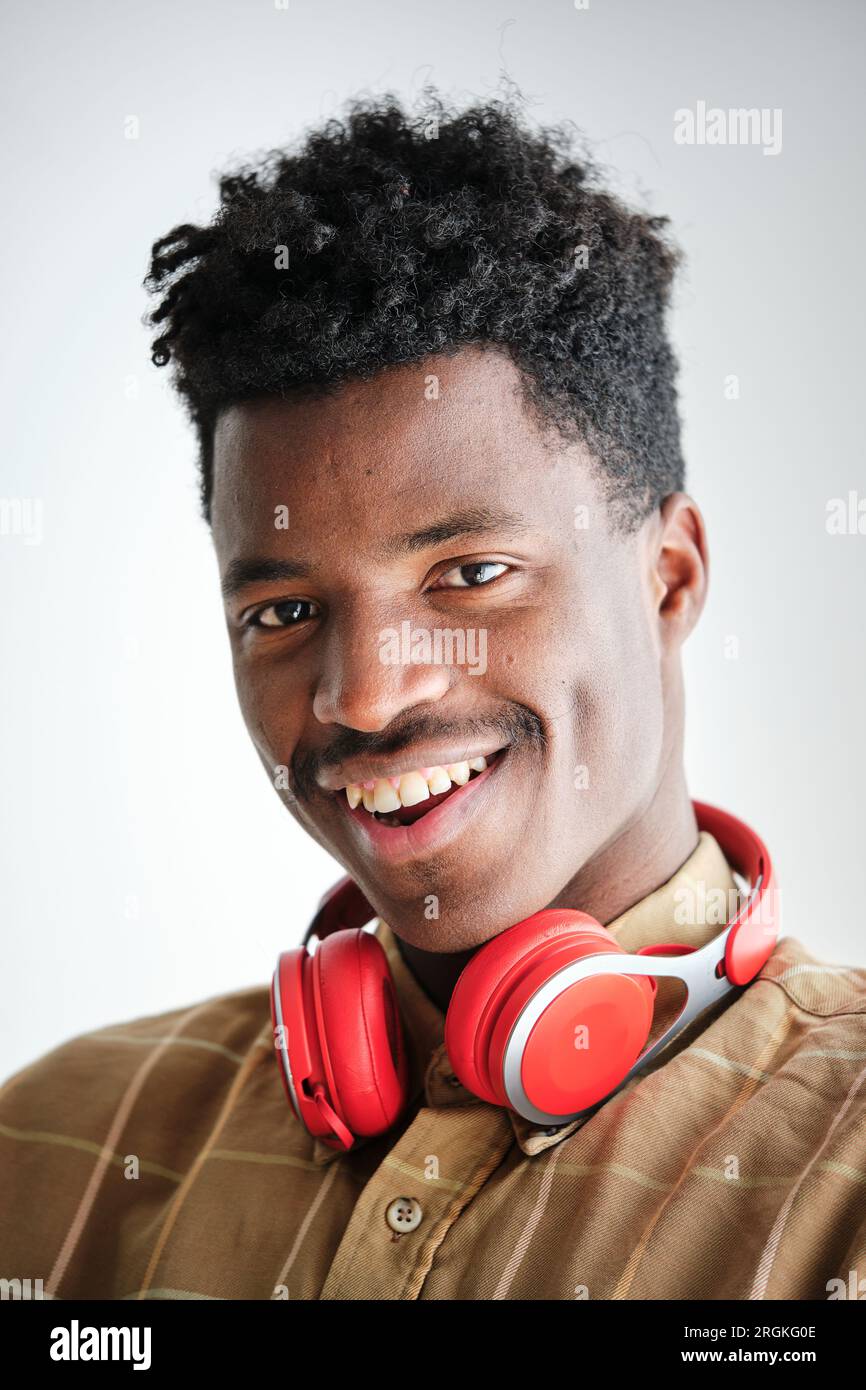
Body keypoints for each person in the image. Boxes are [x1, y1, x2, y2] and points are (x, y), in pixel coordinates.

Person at [2, 91, 864, 1302]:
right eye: (283, 612)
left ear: (666, 578)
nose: (361, 695)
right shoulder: (43, 1154)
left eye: (468, 575)